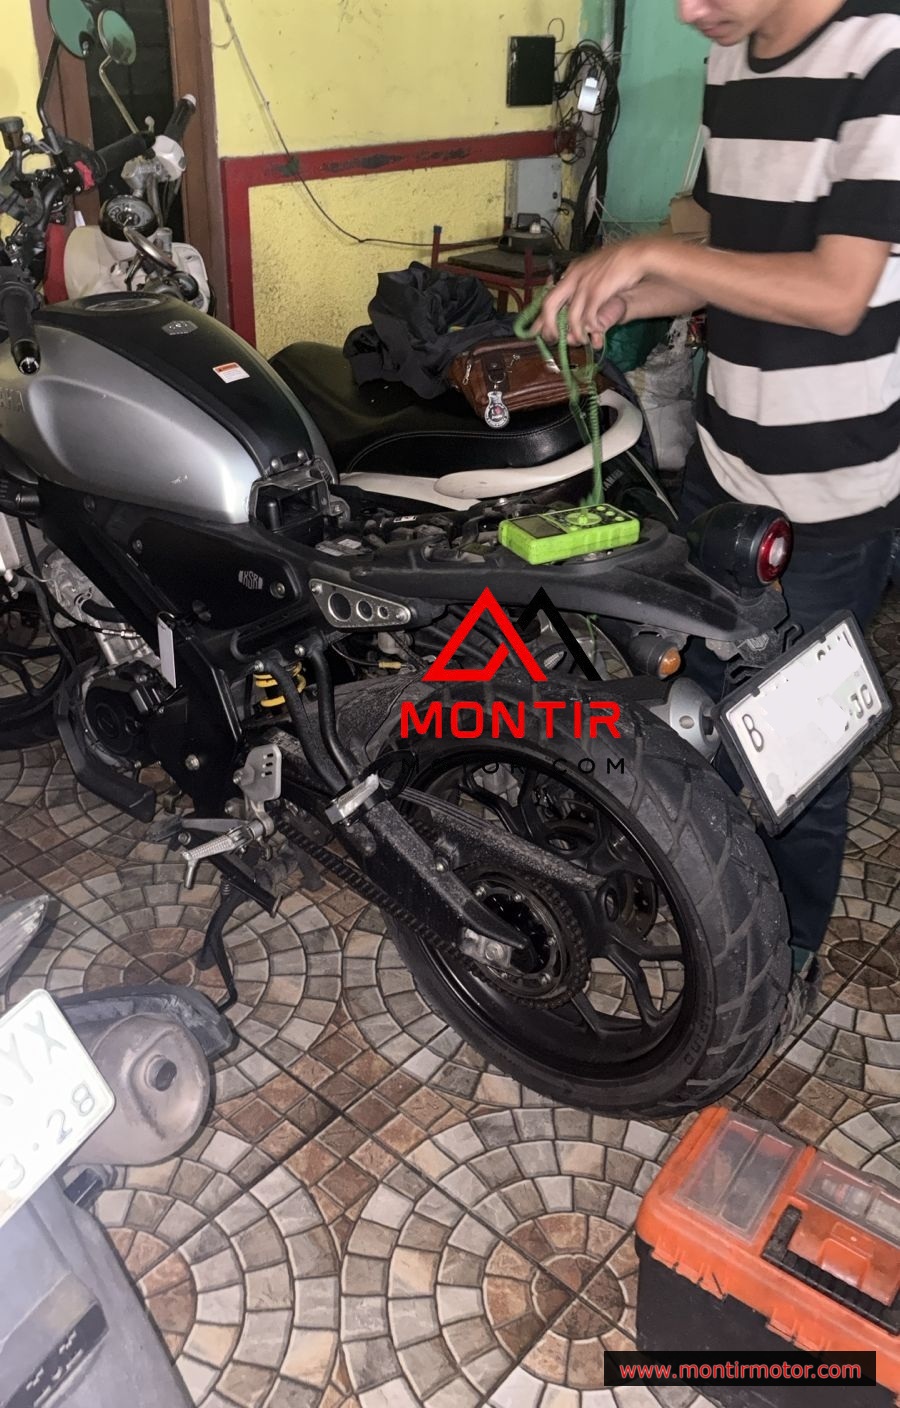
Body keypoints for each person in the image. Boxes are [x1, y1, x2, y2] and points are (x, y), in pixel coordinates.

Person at [534, 0, 900, 1042]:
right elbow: (727, 239)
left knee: (795, 762)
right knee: (687, 703)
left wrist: (664, 260)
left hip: (831, 498)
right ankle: (700, 893)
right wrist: (639, 284)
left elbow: (837, 290)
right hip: (724, 466)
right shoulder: (735, 60)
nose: (692, 12)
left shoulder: (882, 54)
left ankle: (786, 959)